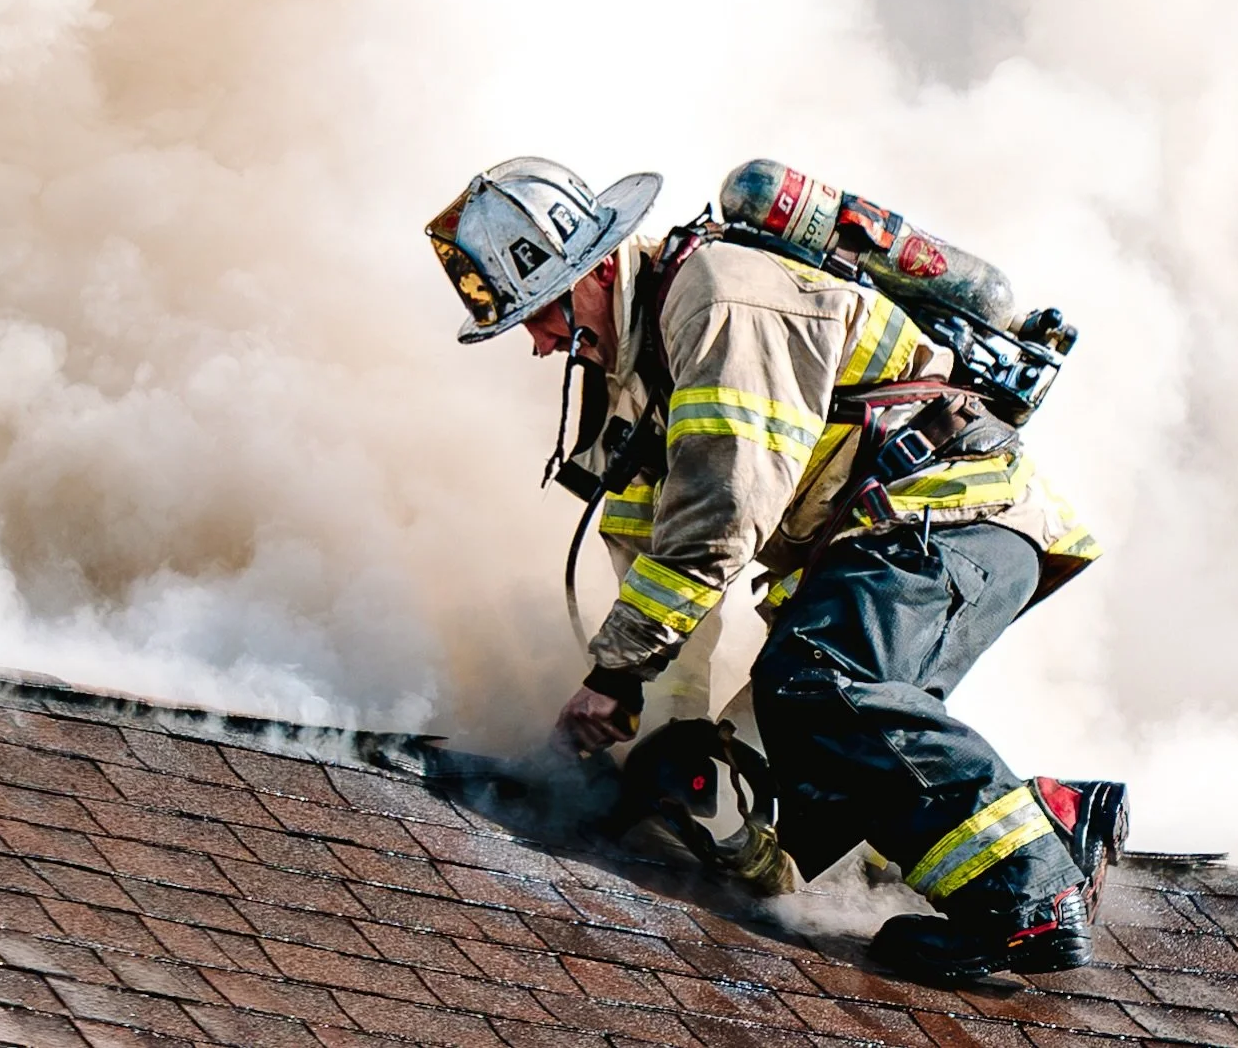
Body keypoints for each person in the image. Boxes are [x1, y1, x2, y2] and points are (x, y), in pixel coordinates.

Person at [427, 156, 1127, 983]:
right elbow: (653, 552)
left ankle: (1030, 896)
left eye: (542, 312)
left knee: (818, 685)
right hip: (874, 551)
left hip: (946, 517)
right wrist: (669, 745)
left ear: (601, 266)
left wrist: (613, 675)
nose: (541, 344)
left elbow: (720, 516)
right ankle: (1054, 820)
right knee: (748, 810)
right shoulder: (637, 381)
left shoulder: (720, 302)